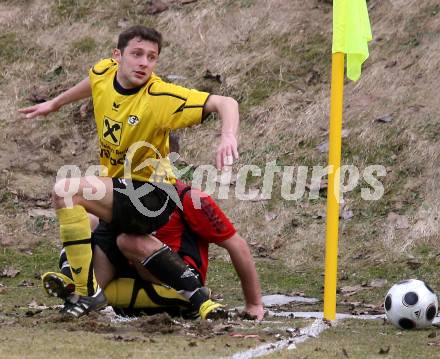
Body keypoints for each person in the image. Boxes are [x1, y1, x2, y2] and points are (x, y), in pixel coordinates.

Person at [19, 25, 239, 319]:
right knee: (90, 236)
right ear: (117, 56)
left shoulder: (159, 95)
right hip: (120, 193)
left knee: (66, 191)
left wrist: (228, 136)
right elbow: (94, 82)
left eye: (151, 57)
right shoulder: (104, 71)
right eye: (137, 54)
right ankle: (197, 299)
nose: (144, 63)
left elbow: (225, 102)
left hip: (151, 194)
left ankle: (87, 294)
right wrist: (56, 103)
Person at [43, 179, 264, 320]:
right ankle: (77, 287)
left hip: (178, 281)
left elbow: (237, 245)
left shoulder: (191, 198)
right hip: (132, 276)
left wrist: (254, 304)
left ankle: (194, 298)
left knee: (130, 241)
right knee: (88, 217)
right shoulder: (121, 193)